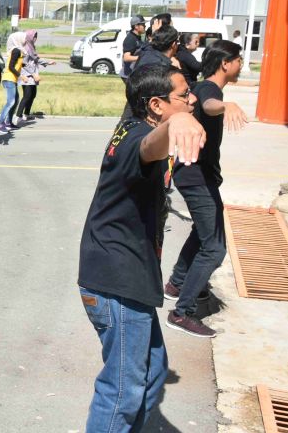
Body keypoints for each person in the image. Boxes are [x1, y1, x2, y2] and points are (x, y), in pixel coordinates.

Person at [77, 63, 206, 431]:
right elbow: (150, 147)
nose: (191, 99)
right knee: (122, 390)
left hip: (127, 276)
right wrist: (174, 125)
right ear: (156, 105)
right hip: (116, 281)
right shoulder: (138, 138)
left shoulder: (136, 125)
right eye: (183, 96)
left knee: (151, 374)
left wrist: (178, 120)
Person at [164, 41, 248, 338]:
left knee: (203, 233)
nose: (241, 64)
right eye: (239, 59)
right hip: (196, 177)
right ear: (226, 63)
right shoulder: (211, 91)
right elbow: (211, 106)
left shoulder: (202, 87)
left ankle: (176, 283)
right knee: (214, 248)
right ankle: (181, 313)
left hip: (196, 175)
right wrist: (226, 105)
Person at [14, 31, 54, 125]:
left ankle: (26, 114)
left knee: (32, 95)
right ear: (29, 37)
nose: (35, 38)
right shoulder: (25, 49)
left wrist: (48, 62)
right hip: (26, 76)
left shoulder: (32, 48)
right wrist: (33, 74)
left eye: (36, 36)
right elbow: (24, 64)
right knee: (27, 95)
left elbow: (36, 59)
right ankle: (17, 116)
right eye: (34, 36)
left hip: (33, 75)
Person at [120, 15, 146, 81]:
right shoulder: (130, 39)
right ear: (136, 26)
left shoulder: (138, 37)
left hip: (135, 74)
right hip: (129, 76)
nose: (145, 26)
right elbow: (126, 58)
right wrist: (142, 58)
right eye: (143, 24)